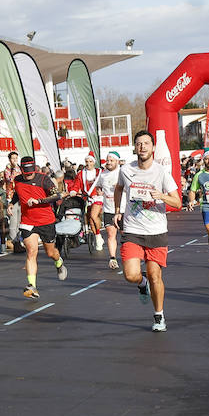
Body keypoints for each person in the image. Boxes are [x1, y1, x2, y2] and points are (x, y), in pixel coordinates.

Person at [113, 130, 182, 331]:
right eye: (138, 143)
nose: (142, 147)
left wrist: (160, 196)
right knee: (130, 275)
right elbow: (118, 189)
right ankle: (141, 283)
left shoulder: (161, 172)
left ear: (152, 148)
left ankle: (159, 316)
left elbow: (177, 202)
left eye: (146, 143)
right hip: (132, 229)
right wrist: (117, 210)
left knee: (155, 275)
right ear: (135, 147)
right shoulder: (126, 170)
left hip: (156, 231)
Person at [13, 156, 66, 298]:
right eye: (26, 173)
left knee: (50, 253)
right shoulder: (17, 180)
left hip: (46, 220)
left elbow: (57, 196)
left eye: (31, 172)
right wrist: (12, 204)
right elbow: (17, 193)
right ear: (21, 170)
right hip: (28, 221)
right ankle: (32, 286)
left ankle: (59, 262)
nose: (29, 175)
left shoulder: (44, 179)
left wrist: (39, 201)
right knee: (31, 251)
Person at [87, 152, 125, 271]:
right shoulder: (103, 175)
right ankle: (112, 258)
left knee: (125, 235)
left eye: (111, 160)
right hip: (109, 209)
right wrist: (99, 191)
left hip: (123, 209)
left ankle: (127, 257)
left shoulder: (122, 173)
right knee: (110, 234)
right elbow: (98, 186)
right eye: (107, 160)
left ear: (117, 161)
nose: (108, 162)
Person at [80, 153, 104, 251]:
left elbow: (106, 181)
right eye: (87, 161)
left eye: (90, 162)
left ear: (94, 162)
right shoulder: (81, 173)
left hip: (98, 198)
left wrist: (104, 191)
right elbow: (77, 183)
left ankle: (98, 238)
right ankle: (98, 236)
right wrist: (73, 190)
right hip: (87, 198)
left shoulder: (100, 172)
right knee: (91, 221)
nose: (88, 164)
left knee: (94, 216)